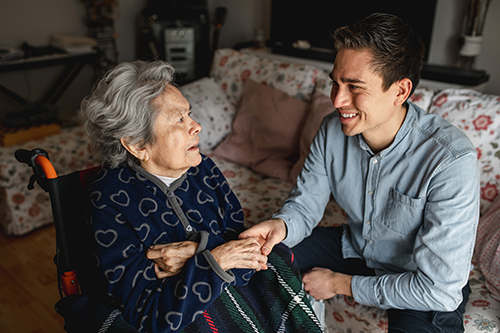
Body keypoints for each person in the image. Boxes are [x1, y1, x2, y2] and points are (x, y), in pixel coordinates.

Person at [239, 13, 479, 333]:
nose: (337, 100)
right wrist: (282, 226)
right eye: (335, 83)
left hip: (416, 275)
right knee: (256, 261)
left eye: (354, 87)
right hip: (353, 247)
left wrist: (341, 284)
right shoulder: (331, 130)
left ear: (400, 91)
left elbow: (439, 289)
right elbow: (305, 204)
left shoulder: (450, 160)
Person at [81, 60, 322, 333]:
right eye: (179, 119)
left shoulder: (204, 169)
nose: (196, 126)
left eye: (190, 114)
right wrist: (216, 260)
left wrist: (199, 251)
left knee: (276, 254)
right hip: (180, 318)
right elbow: (148, 313)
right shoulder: (110, 198)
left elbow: (246, 257)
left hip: (222, 295)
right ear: (138, 144)